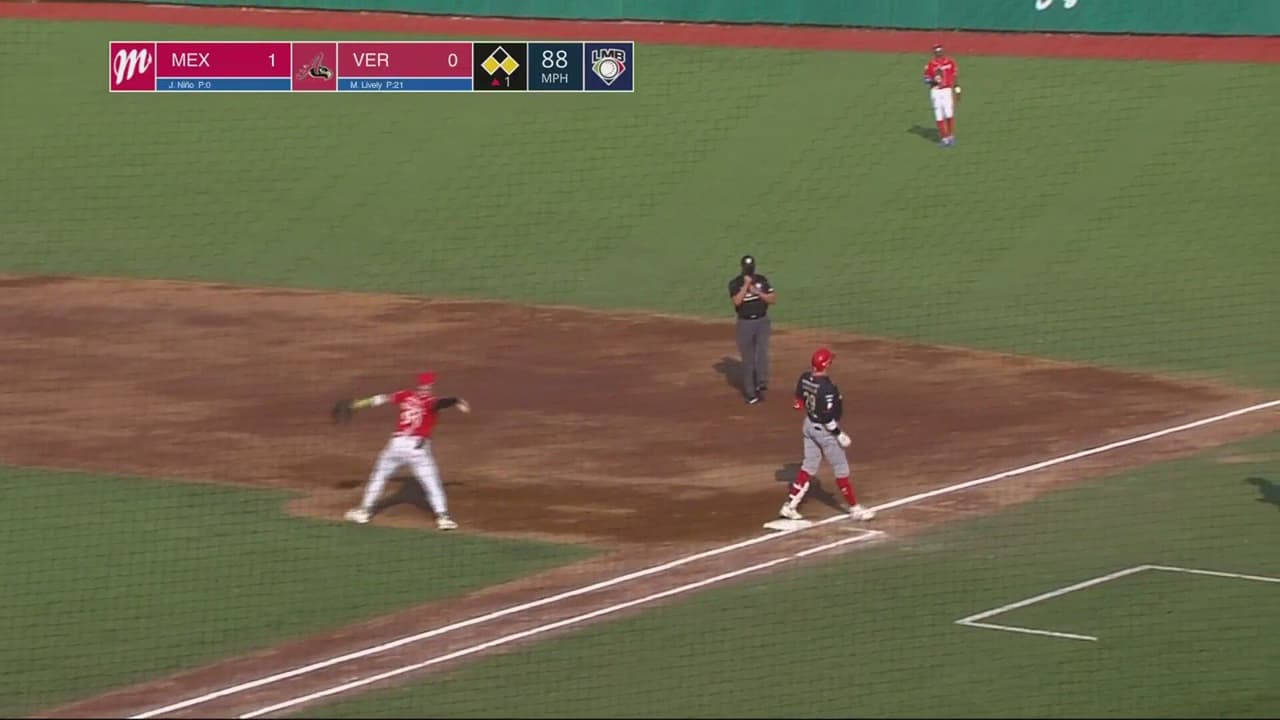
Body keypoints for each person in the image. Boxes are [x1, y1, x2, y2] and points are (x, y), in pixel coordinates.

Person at [331, 371, 470, 530]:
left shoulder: (405, 395)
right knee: (432, 483)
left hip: (396, 446)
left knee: (379, 476)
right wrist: (456, 401)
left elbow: (380, 398)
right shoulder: (430, 401)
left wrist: (357, 404)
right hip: (418, 450)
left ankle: (364, 512)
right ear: (430, 386)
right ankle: (443, 518)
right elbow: (441, 403)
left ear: (418, 385)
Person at [779, 348, 875, 522]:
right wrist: (839, 434)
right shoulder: (827, 388)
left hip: (809, 426)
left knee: (808, 467)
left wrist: (807, 404)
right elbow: (827, 417)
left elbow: (798, 401)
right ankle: (855, 509)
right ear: (826, 364)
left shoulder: (804, 377)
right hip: (825, 431)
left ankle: (790, 506)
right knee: (841, 469)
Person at [727, 254, 776, 404]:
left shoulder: (761, 280)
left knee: (762, 352)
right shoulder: (735, 283)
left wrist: (758, 292)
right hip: (745, 323)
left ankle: (761, 382)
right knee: (748, 358)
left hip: (762, 321)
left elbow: (773, 299)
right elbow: (737, 301)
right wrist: (746, 286)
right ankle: (750, 393)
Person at [922, 44, 961, 147]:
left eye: (940, 51)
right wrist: (933, 81)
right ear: (934, 53)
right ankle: (944, 138)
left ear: (943, 51)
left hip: (947, 90)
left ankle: (951, 136)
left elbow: (955, 77)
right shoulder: (930, 65)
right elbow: (925, 79)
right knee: (938, 114)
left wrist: (957, 90)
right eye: (937, 51)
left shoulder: (950, 62)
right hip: (935, 91)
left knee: (949, 113)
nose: (939, 53)